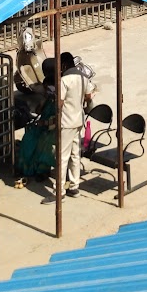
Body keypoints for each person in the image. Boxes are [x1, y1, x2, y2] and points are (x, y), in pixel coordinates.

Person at [54, 52, 91, 197]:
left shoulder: (64, 80)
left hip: (66, 122)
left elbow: (60, 102)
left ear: (63, 65)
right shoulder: (83, 77)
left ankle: (59, 190)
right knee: (75, 154)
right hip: (78, 120)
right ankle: (74, 186)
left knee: (62, 156)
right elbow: (88, 95)